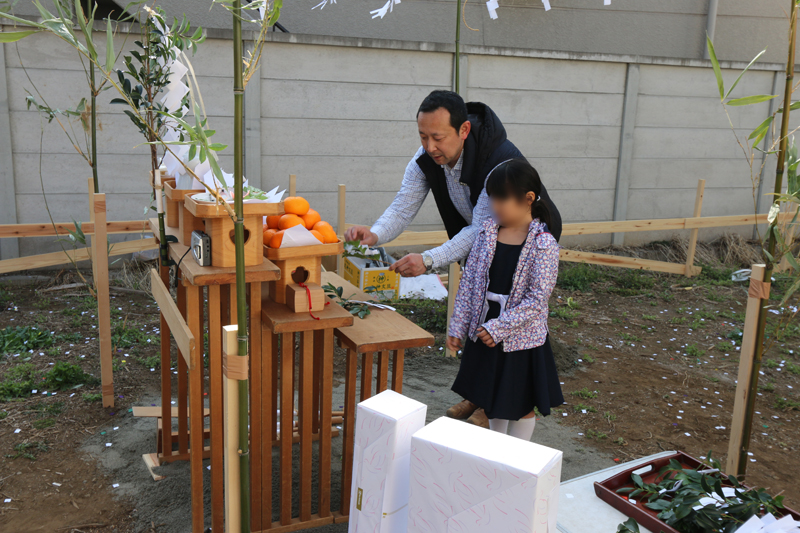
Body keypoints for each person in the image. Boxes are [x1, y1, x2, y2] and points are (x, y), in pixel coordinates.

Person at [345, 90, 562, 427]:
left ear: (463, 131)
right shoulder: (426, 159)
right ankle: (481, 397)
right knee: (482, 316)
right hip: (487, 245)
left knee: (511, 330)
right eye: (422, 135)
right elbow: (405, 204)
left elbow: (479, 228)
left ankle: (496, 407)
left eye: (437, 137)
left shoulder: (496, 161)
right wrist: (375, 234)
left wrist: (429, 260)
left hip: (521, 247)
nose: (429, 146)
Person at [446, 158, 564, 441]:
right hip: (484, 331)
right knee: (492, 398)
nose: (495, 206)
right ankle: (495, 453)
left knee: (519, 403)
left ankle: (517, 455)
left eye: (502, 198)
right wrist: (457, 327)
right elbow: (470, 284)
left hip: (519, 339)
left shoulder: (543, 244)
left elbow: (537, 300)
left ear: (528, 199)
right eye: (492, 198)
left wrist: (499, 328)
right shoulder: (487, 233)